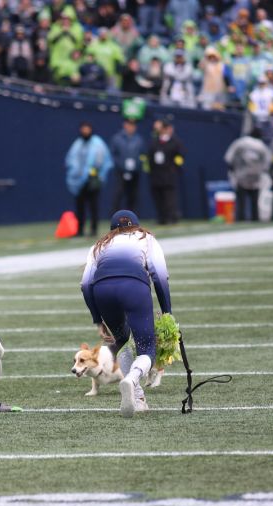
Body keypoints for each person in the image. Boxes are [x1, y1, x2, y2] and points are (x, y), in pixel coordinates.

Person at [80, 210, 172, 417]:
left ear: (112, 230)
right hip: (134, 288)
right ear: (137, 226)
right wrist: (168, 312)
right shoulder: (146, 238)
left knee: (121, 341)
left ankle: (138, 399)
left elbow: (86, 285)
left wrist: (97, 319)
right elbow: (160, 276)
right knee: (147, 348)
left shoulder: (99, 245)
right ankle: (132, 379)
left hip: (102, 291)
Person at [65, 122, 114, 238]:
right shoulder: (78, 144)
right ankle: (80, 229)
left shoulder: (97, 143)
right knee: (79, 206)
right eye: (83, 129)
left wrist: (99, 174)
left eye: (87, 129)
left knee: (93, 205)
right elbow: (71, 159)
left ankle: (93, 229)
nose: (85, 132)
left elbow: (104, 160)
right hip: (79, 181)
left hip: (93, 179)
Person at [224, 129, 271, 223]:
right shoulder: (261, 146)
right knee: (254, 202)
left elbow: (229, 158)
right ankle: (255, 219)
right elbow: (267, 162)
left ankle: (240, 219)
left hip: (241, 175)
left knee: (241, 201)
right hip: (256, 176)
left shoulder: (240, 143)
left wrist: (233, 170)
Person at [146, 118, 185, 225]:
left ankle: (172, 217)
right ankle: (161, 218)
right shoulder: (155, 142)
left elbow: (180, 157)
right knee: (158, 198)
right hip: (156, 175)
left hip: (169, 174)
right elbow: (149, 157)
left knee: (170, 198)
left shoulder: (176, 142)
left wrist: (175, 166)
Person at [109, 118, 146, 214]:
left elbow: (142, 155)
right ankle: (115, 216)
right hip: (121, 171)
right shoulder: (117, 138)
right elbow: (113, 155)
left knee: (133, 195)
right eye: (129, 125)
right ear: (125, 125)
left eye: (133, 125)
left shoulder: (139, 139)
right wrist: (121, 165)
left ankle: (132, 217)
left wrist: (138, 164)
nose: (131, 127)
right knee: (118, 193)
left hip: (135, 172)